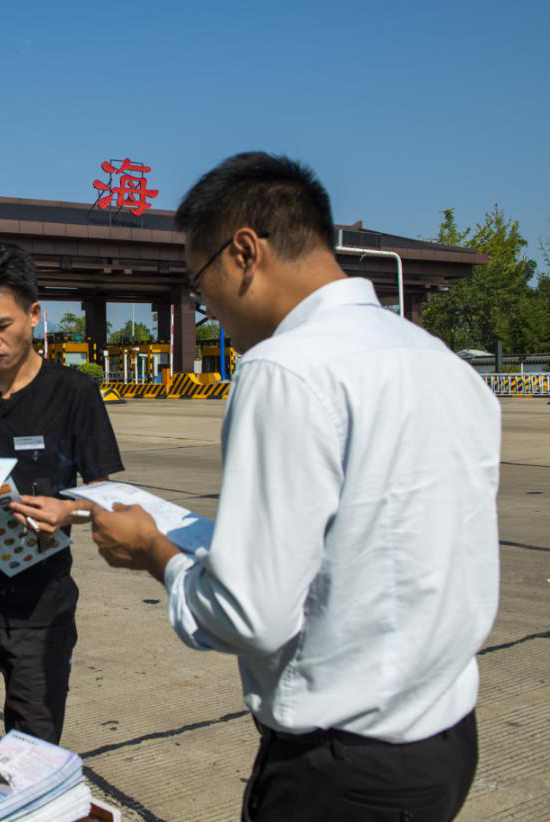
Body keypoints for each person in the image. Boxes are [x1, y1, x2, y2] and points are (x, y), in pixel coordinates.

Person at [87, 152, 500, 821]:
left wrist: (154, 554)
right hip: (444, 742)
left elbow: (250, 615)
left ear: (244, 251)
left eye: (199, 283)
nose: (206, 307)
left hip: (341, 771)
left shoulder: (283, 369)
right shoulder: (440, 363)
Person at [0, 240, 124, 744]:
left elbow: (108, 498)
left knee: (31, 751)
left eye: (1, 325)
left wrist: (69, 509)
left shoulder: (74, 393)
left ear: (34, 315)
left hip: (40, 610)